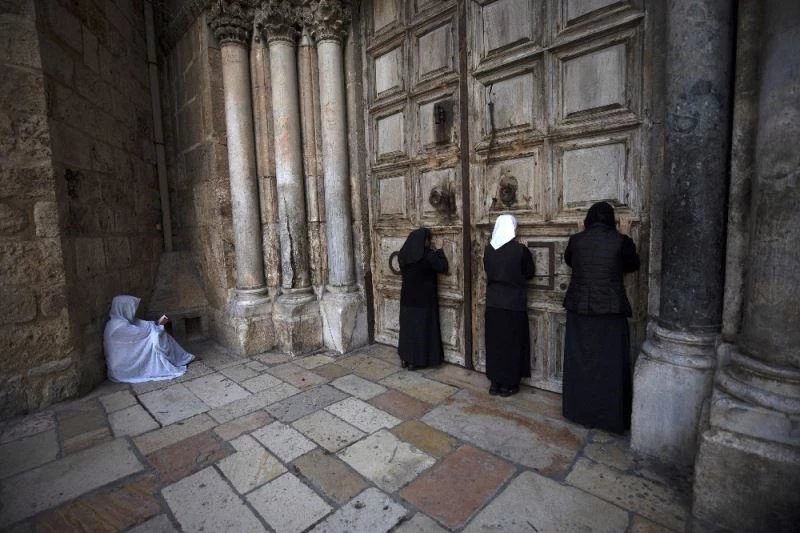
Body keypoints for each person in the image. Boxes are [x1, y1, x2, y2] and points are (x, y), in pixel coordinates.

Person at [561, 201, 640, 433]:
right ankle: (608, 417)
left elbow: (570, 260)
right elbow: (632, 264)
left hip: (580, 310)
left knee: (580, 363)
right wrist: (625, 235)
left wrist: (581, 234)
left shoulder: (577, 240)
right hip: (609, 312)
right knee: (609, 366)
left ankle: (578, 411)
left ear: (588, 219)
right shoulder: (620, 241)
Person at [483, 214, 535, 397]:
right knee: (512, 344)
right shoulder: (520, 250)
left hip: (493, 304)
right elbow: (529, 273)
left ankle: (495, 384)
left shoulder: (488, 250)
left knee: (495, 344)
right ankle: (509, 385)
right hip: (513, 304)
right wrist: (525, 249)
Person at [104, 295, 195, 383]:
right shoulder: (119, 328)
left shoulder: (116, 322)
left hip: (122, 364)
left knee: (158, 333)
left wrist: (154, 325)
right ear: (123, 308)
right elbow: (142, 333)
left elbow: (140, 324)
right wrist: (157, 326)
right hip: (122, 368)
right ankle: (181, 358)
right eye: (131, 309)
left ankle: (182, 357)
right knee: (159, 336)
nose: (133, 312)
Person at [398, 227, 448, 370]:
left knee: (408, 330)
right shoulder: (427, 256)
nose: (429, 242)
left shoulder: (403, 255)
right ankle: (416, 362)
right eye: (428, 239)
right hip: (424, 301)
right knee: (421, 331)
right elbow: (443, 267)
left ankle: (405, 358)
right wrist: (439, 249)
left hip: (407, 300)